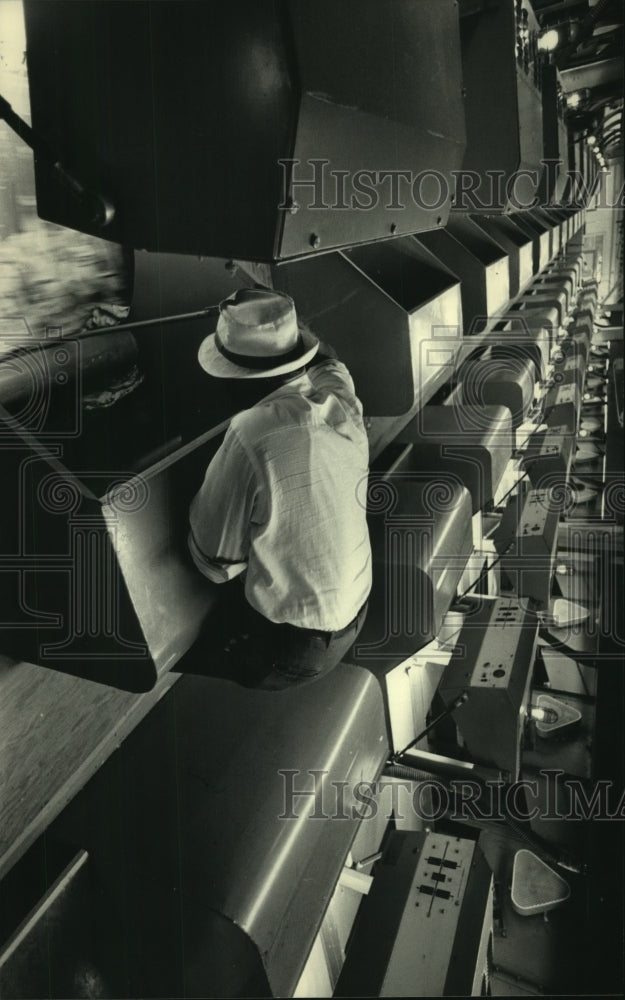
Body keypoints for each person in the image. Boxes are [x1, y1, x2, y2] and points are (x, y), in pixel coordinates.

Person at [187, 287, 371, 690]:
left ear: (236, 380)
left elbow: (213, 564)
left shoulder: (251, 431)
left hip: (290, 653)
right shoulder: (342, 401)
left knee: (180, 650)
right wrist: (277, 325)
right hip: (352, 622)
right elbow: (330, 363)